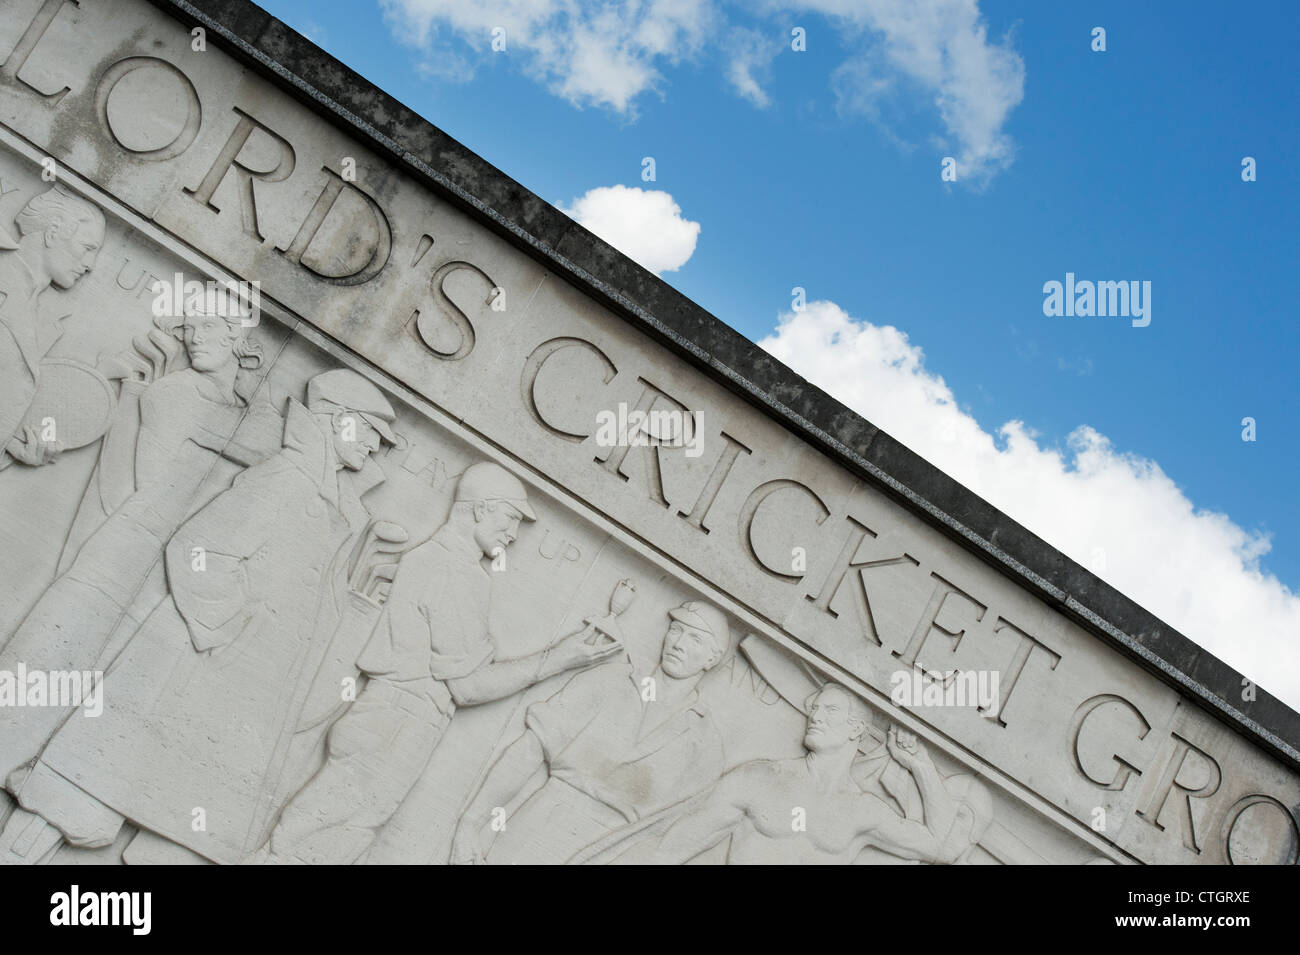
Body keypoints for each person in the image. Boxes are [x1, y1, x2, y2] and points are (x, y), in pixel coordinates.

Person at [0, 369, 396, 865]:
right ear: (340, 421)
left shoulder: (327, 498)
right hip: (188, 669)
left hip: (225, 693)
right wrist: (227, 629)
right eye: (372, 435)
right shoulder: (288, 478)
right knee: (79, 791)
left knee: (160, 815)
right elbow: (199, 548)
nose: (374, 450)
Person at [260, 462, 624, 865]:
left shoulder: (451, 565)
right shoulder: (452, 570)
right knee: (318, 833)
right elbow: (467, 687)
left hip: (396, 720)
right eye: (510, 517)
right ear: (479, 509)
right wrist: (561, 659)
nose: (513, 533)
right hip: (397, 721)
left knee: (336, 832)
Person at [0, 296, 281, 783]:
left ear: (238, 339)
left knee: (98, 685)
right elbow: (160, 475)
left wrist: (251, 399)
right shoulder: (173, 393)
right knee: (44, 660)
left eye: (208, 328)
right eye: (189, 328)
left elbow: (268, 449)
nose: (194, 337)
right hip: (127, 547)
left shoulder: (243, 409)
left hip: (174, 570)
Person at [452, 600, 732, 865]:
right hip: (538, 824)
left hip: (612, 849)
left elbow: (675, 836)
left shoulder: (705, 743)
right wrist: (471, 824)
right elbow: (527, 753)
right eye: (676, 630)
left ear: (712, 659)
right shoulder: (608, 680)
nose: (678, 644)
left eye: (695, 639)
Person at [630, 684, 985, 864]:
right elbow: (669, 850)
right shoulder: (760, 778)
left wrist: (920, 765)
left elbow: (939, 847)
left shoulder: (864, 810)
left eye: (830, 710)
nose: (815, 716)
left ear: (854, 729)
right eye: (815, 708)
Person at [0, 185, 104, 468]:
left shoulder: (44, 314)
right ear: (54, 230)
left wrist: (11, 444)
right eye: (88, 248)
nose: (90, 264)